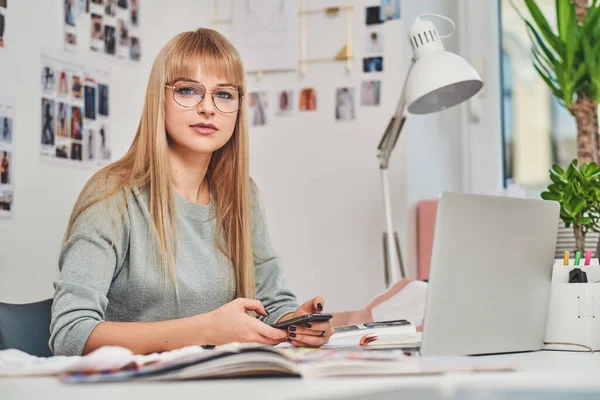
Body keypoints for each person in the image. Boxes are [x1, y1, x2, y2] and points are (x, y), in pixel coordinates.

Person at [50, 28, 342, 357]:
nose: (208, 108)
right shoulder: (112, 194)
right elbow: (71, 333)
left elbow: (272, 302)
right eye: (188, 90)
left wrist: (296, 321)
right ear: (158, 98)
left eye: (224, 94)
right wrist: (206, 330)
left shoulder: (242, 194)